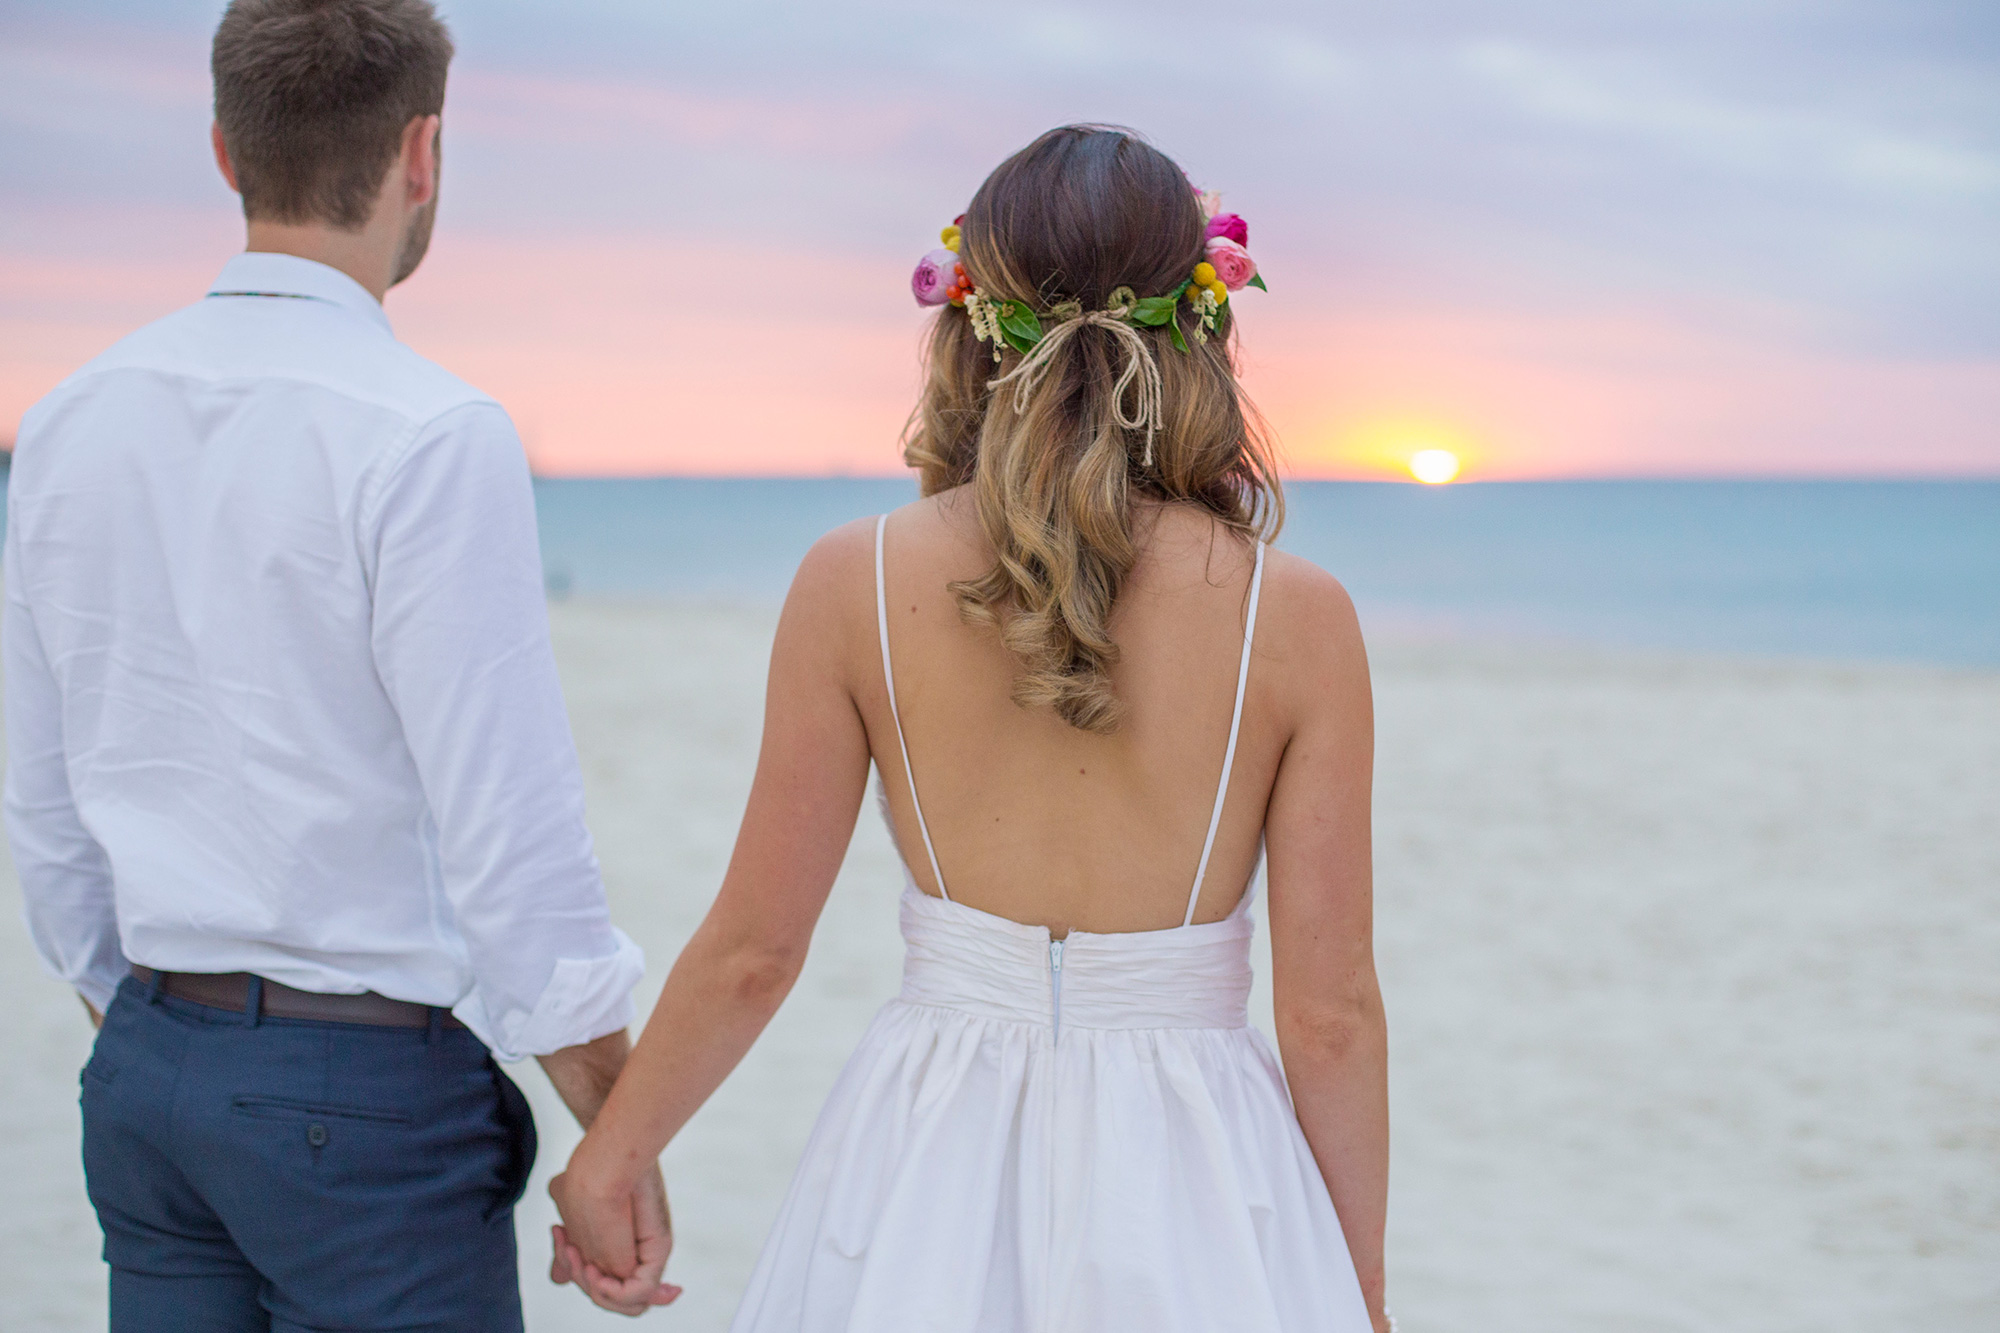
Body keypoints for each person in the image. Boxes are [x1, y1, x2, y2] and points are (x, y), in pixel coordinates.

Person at [550, 125, 1391, 1331]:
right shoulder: (1295, 615)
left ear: (965, 323)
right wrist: (1350, 1284)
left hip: (924, 1151)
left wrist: (608, 1162)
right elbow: (1327, 1011)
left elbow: (752, 953)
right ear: (1202, 327)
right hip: (1198, 1170)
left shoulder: (854, 580)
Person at [2, 1, 672, 1327]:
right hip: (360, 1111)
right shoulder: (431, 434)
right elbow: (513, 851)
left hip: (146, 1077)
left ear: (222, 150)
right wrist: (621, 1137)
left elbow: (44, 798)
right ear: (422, 153)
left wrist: (147, 1036)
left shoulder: (70, 419)